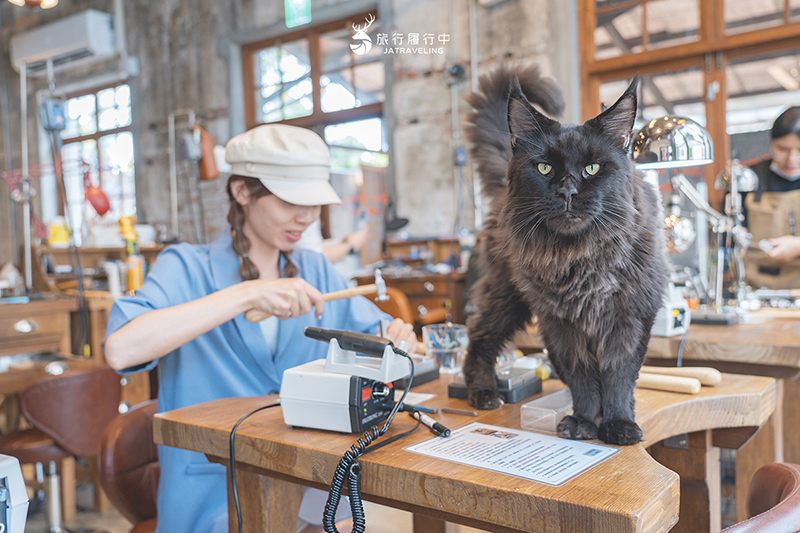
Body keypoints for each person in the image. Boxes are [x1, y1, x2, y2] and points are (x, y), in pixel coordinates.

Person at [103, 124, 416, 533]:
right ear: (242, 192)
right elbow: (121, 350)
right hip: (217, 491)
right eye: (290, 200)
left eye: (313, 202)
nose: (306, 217)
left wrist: (397, 336)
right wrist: (246, 294)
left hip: (308, 482)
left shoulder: (314, 268)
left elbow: (376, 333)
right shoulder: (185, 267)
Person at [746, 106, 800, 263]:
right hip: (760, 280)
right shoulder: (750, 178)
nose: (791, 159)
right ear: (771, 143)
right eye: (783, 149)